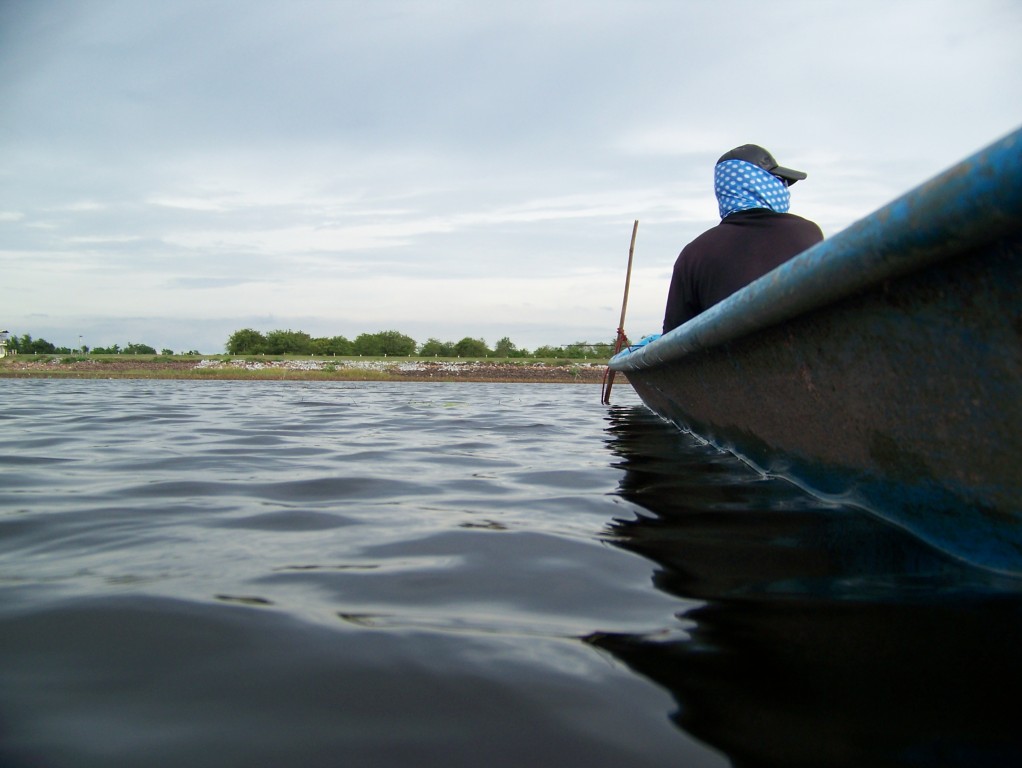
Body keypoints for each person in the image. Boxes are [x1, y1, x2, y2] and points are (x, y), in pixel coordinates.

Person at [662, 144, 823, 333]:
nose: (784, 190)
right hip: (801, 358)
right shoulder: (807, 233)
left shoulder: (693, 254)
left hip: (726, 360)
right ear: (762, 184)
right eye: (779, 181)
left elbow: (673, 337)